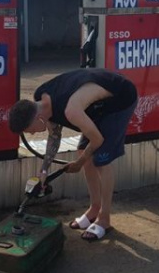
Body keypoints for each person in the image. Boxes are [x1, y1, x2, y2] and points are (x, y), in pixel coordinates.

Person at [8, 68, 138, 241]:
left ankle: (104, 219)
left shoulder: (72, 110)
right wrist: (44, 171)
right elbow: (54, 136)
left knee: (101, 160)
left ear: (39, 119)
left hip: (120, 99)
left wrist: (79, 162)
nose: (31, 134)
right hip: (97, 105)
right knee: (82, 151)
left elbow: (97, 140)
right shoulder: (41, 98)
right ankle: (94, 208)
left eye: (29, 130)